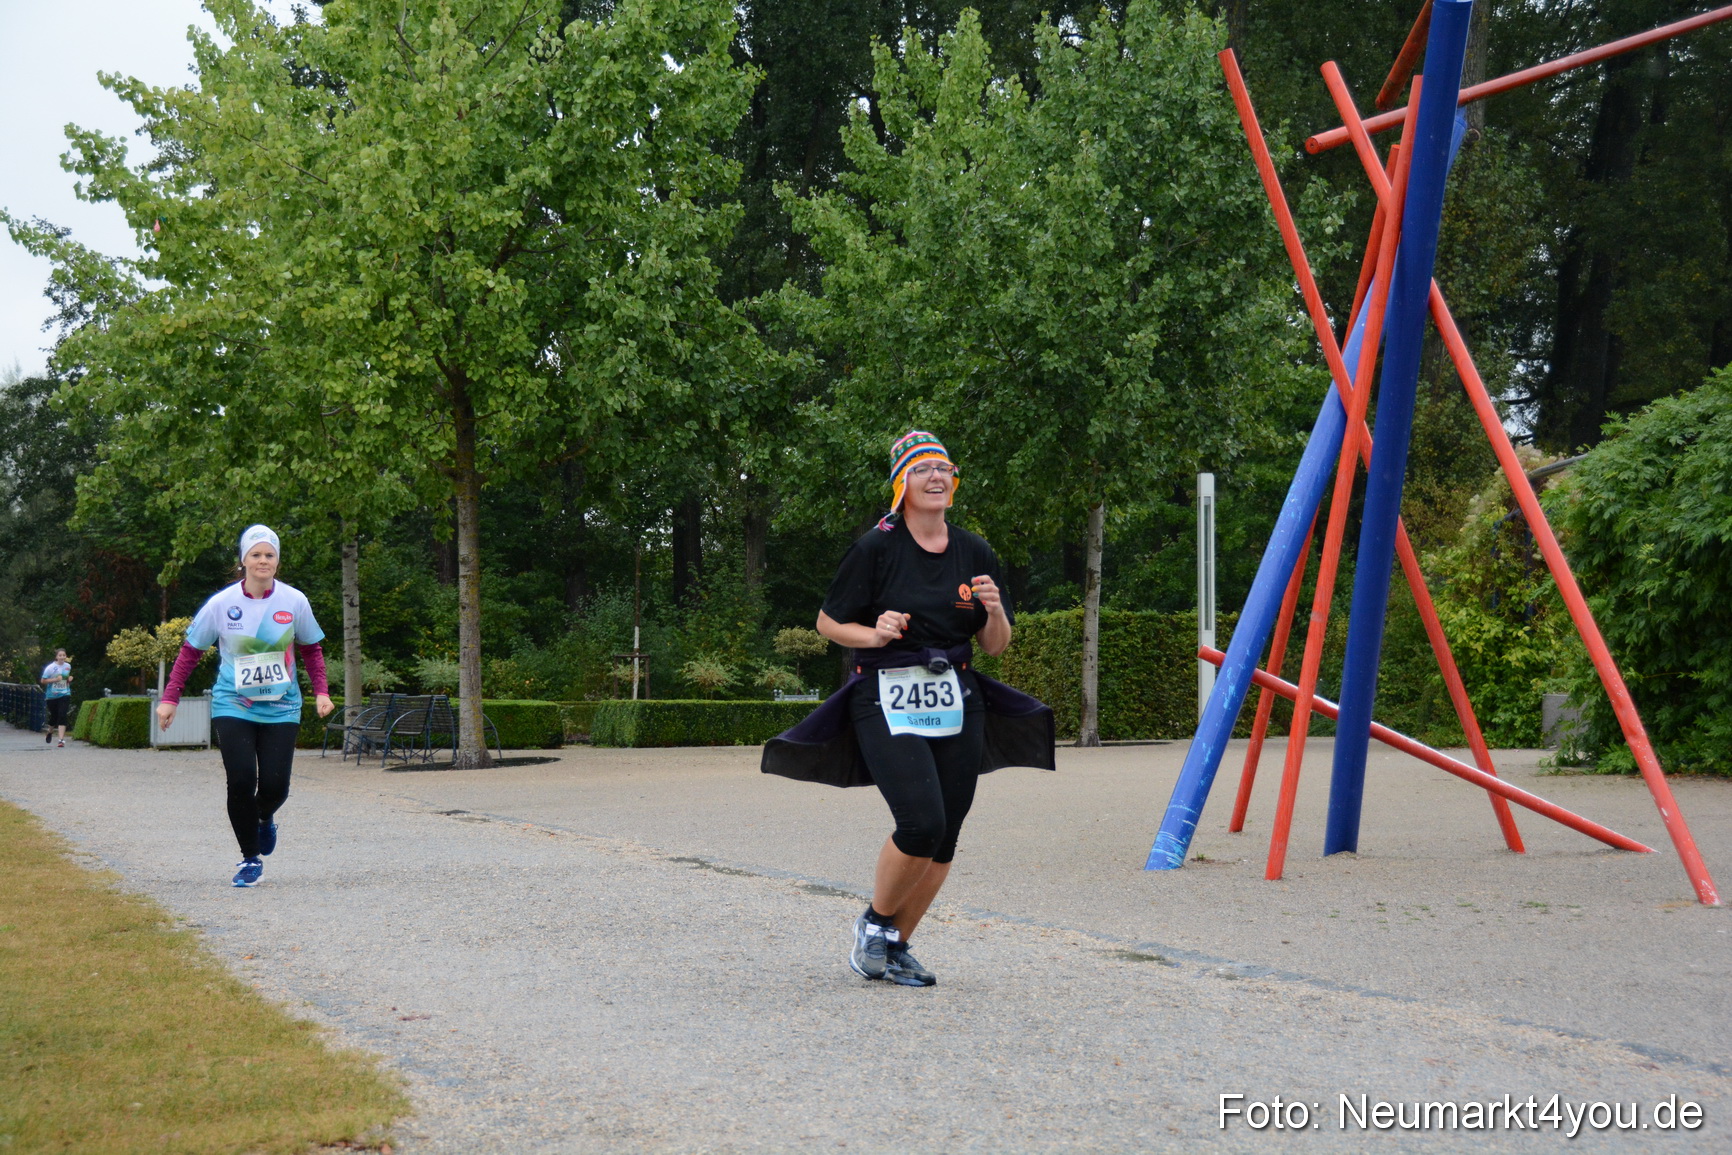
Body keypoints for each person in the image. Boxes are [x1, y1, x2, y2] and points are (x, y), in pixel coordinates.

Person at [762, 431, 1055, 987]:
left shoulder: (975, 551)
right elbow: (828, 623)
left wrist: (995, 611)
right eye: (922, 469)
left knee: (947, 833)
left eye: (943, 467)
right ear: (902, 485)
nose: (936, 476)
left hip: (958, 695)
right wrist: (874, 634)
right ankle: (874, 924)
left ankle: (896, 947)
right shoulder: (876, 548)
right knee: (921, 822)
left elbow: (995, 646)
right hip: (885, 693)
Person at [157, 525, 333, 887]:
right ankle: (250, 858)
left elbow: (311, 649)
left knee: (275, 787)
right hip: (233, 703)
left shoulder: (294, 601)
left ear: (277, 561)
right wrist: (170, 698)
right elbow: (190, 652)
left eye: (269, 554)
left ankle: (264, 817)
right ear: (244, 560)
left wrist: (322, 692)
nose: (263, 560)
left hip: (282, 706)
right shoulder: (221, 604)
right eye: (256, 554)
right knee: (240, 780)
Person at [39, 648, 72, 746]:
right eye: (60, 655)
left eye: (64, 655)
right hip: (52, 696)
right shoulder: (50, 668)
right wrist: (55, 680)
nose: (62, 657)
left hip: (65, 693)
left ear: (66, 656)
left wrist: (69, 679)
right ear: (56, 657)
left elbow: (65, 679)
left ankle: (61, 740)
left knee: (62, 715)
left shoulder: (68, 666)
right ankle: (50, 732)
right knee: (54, 716)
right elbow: (43, 681)